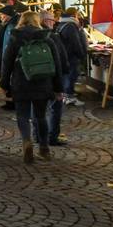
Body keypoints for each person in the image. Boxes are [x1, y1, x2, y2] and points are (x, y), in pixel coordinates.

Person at [0, 10, 62, 164]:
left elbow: (6, 63)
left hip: (21, 83)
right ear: (37, 21)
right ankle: (44, 147)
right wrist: (58, 87)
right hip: (43, 82)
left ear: (22, 21)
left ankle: (27, 142)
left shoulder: (15, 38)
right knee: (40, 116)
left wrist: (4, 84)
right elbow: (57, 64)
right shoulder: (47, 38)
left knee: (22, 115)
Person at [39, 9, 70, 148]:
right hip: (53, 77)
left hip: (37, 78)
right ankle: (52, 136)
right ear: (46, 21)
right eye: (52, 20)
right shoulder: (52, 36)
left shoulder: (30, 36)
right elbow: (61, 60)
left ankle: (38, 136)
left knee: (38, 109)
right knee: (55, 108)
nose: (54, 22)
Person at [55, 7, 88, 105]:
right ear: (74, 15)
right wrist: (81, 54)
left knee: (67, 76)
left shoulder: (61, 24)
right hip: (71, 56)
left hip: (64, 55)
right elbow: (75, 43)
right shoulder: (71, 26)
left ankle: (66, 95)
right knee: (71, 76)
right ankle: (69, 97)